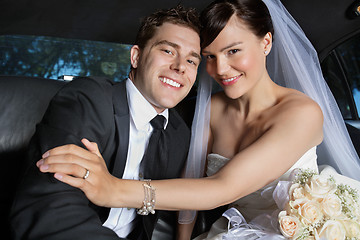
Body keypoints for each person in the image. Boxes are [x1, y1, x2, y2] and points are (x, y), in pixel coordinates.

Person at [33, 0, 360, 239]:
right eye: (209, 57)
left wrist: (115, 190)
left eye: (233, 51)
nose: (220, 70)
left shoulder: (302, 114)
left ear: (266, 42)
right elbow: (191, 177)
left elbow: (221, 188)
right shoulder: (212, 108)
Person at [9, 5, 202, 240]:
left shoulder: (178, 134)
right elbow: (51, 209)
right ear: (136, 56)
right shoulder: (89, 99)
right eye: (168, 51)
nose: (181, 66)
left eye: (192, 61)